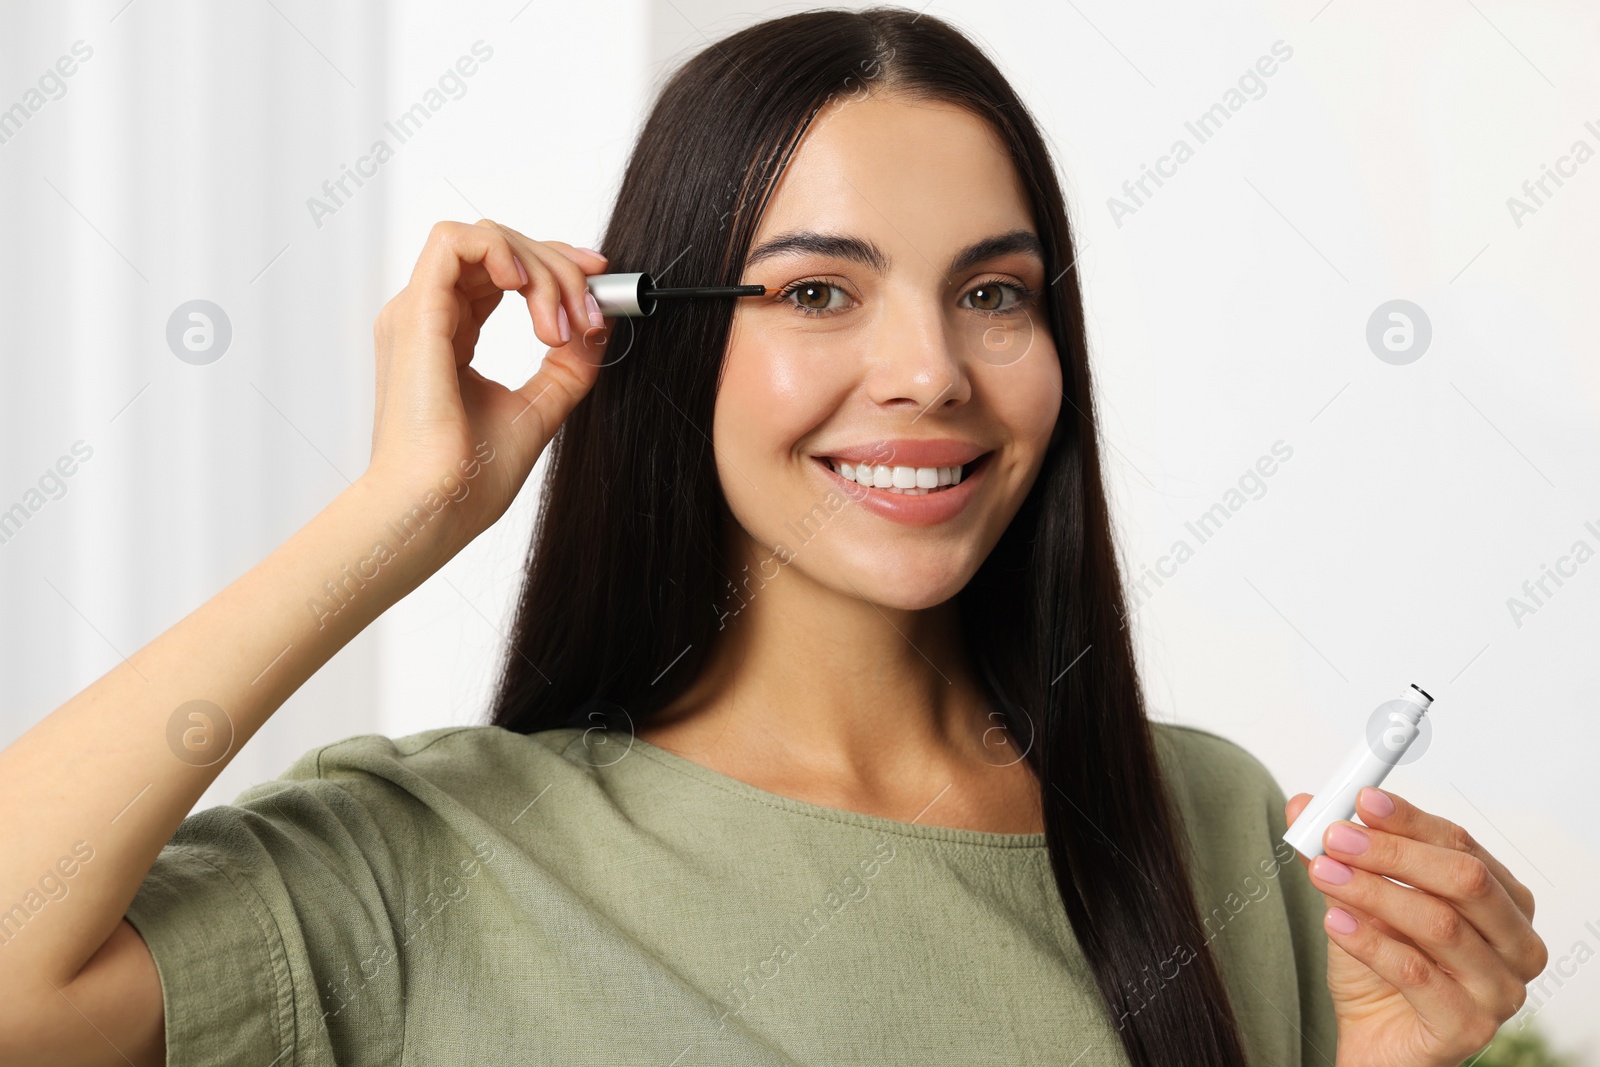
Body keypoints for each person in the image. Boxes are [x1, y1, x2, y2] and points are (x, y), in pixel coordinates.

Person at [0, 7, 1545, 1066]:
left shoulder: (1211, 826)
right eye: (818, 292)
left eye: (996, 292)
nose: (930, 368)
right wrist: (395, 516)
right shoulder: (428, 859)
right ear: (658, 342)